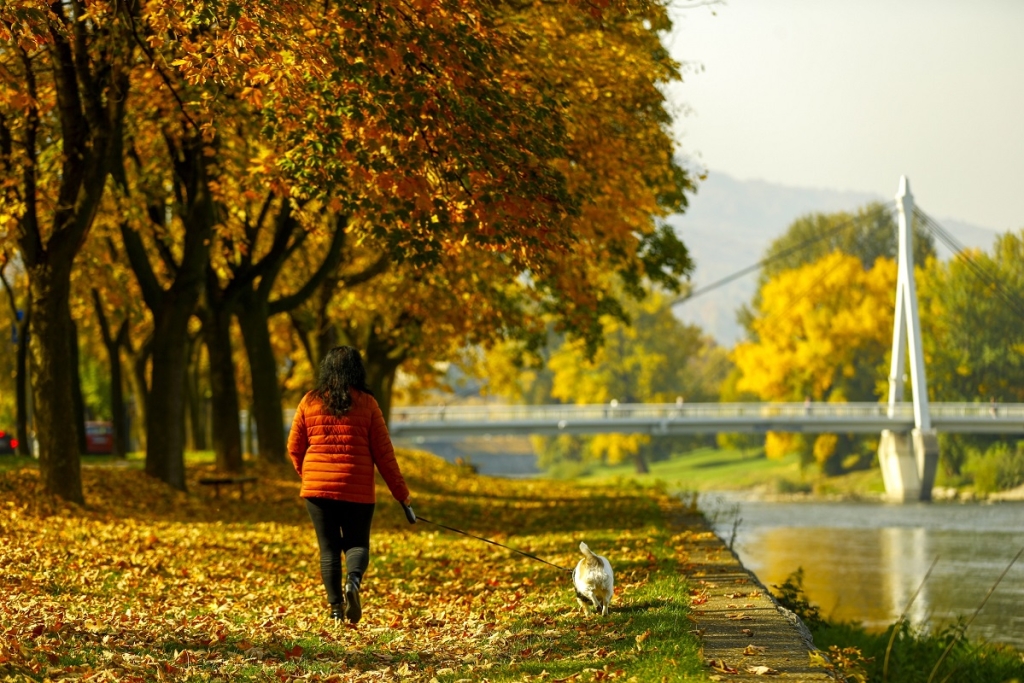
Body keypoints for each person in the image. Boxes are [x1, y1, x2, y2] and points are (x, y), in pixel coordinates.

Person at [287, 346, 412, 624]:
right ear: (357, 370)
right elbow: (385, 455)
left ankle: (335, 610)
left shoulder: (309, 401)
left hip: (317, 490)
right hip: (356, 488)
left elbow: (294, 447)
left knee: (328, 548)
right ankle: (353, 583)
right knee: (356, 544)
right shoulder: (368, 404)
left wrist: (308, 475)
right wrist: (402, 496)